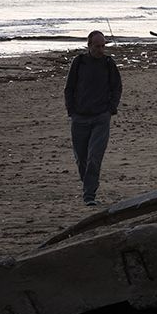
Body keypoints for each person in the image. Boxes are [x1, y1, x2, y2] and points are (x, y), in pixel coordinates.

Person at [64, 30, 122, 206]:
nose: (101, 49)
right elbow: (69, 88)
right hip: (79, 118)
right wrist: (71, 111)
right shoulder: (79, 62)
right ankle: (87, 185)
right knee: (81, 159)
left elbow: (117, 87)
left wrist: (111, 109)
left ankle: (89, 195)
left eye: (103, 46)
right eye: (97, 46)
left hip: (101, 118)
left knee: (94, 157)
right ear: (89, 46)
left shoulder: (108, 63)